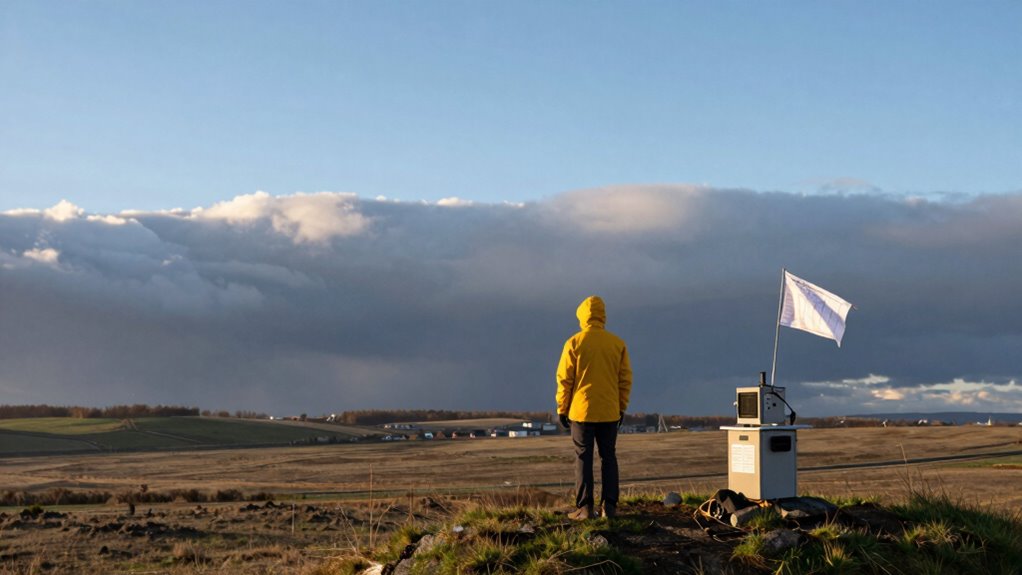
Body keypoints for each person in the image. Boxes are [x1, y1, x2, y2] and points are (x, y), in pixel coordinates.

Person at [555, 295, 632, 520]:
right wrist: (621, 406)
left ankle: (585, 508)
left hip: (581, 412)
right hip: (609, 411)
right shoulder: (617, 343)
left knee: (583, 457)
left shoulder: (574, 343)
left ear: (582, 315)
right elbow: (625, 379)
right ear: (603, 315)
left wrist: (562, 407)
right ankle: (610, 507)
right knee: (609, 457)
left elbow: (564, 379)